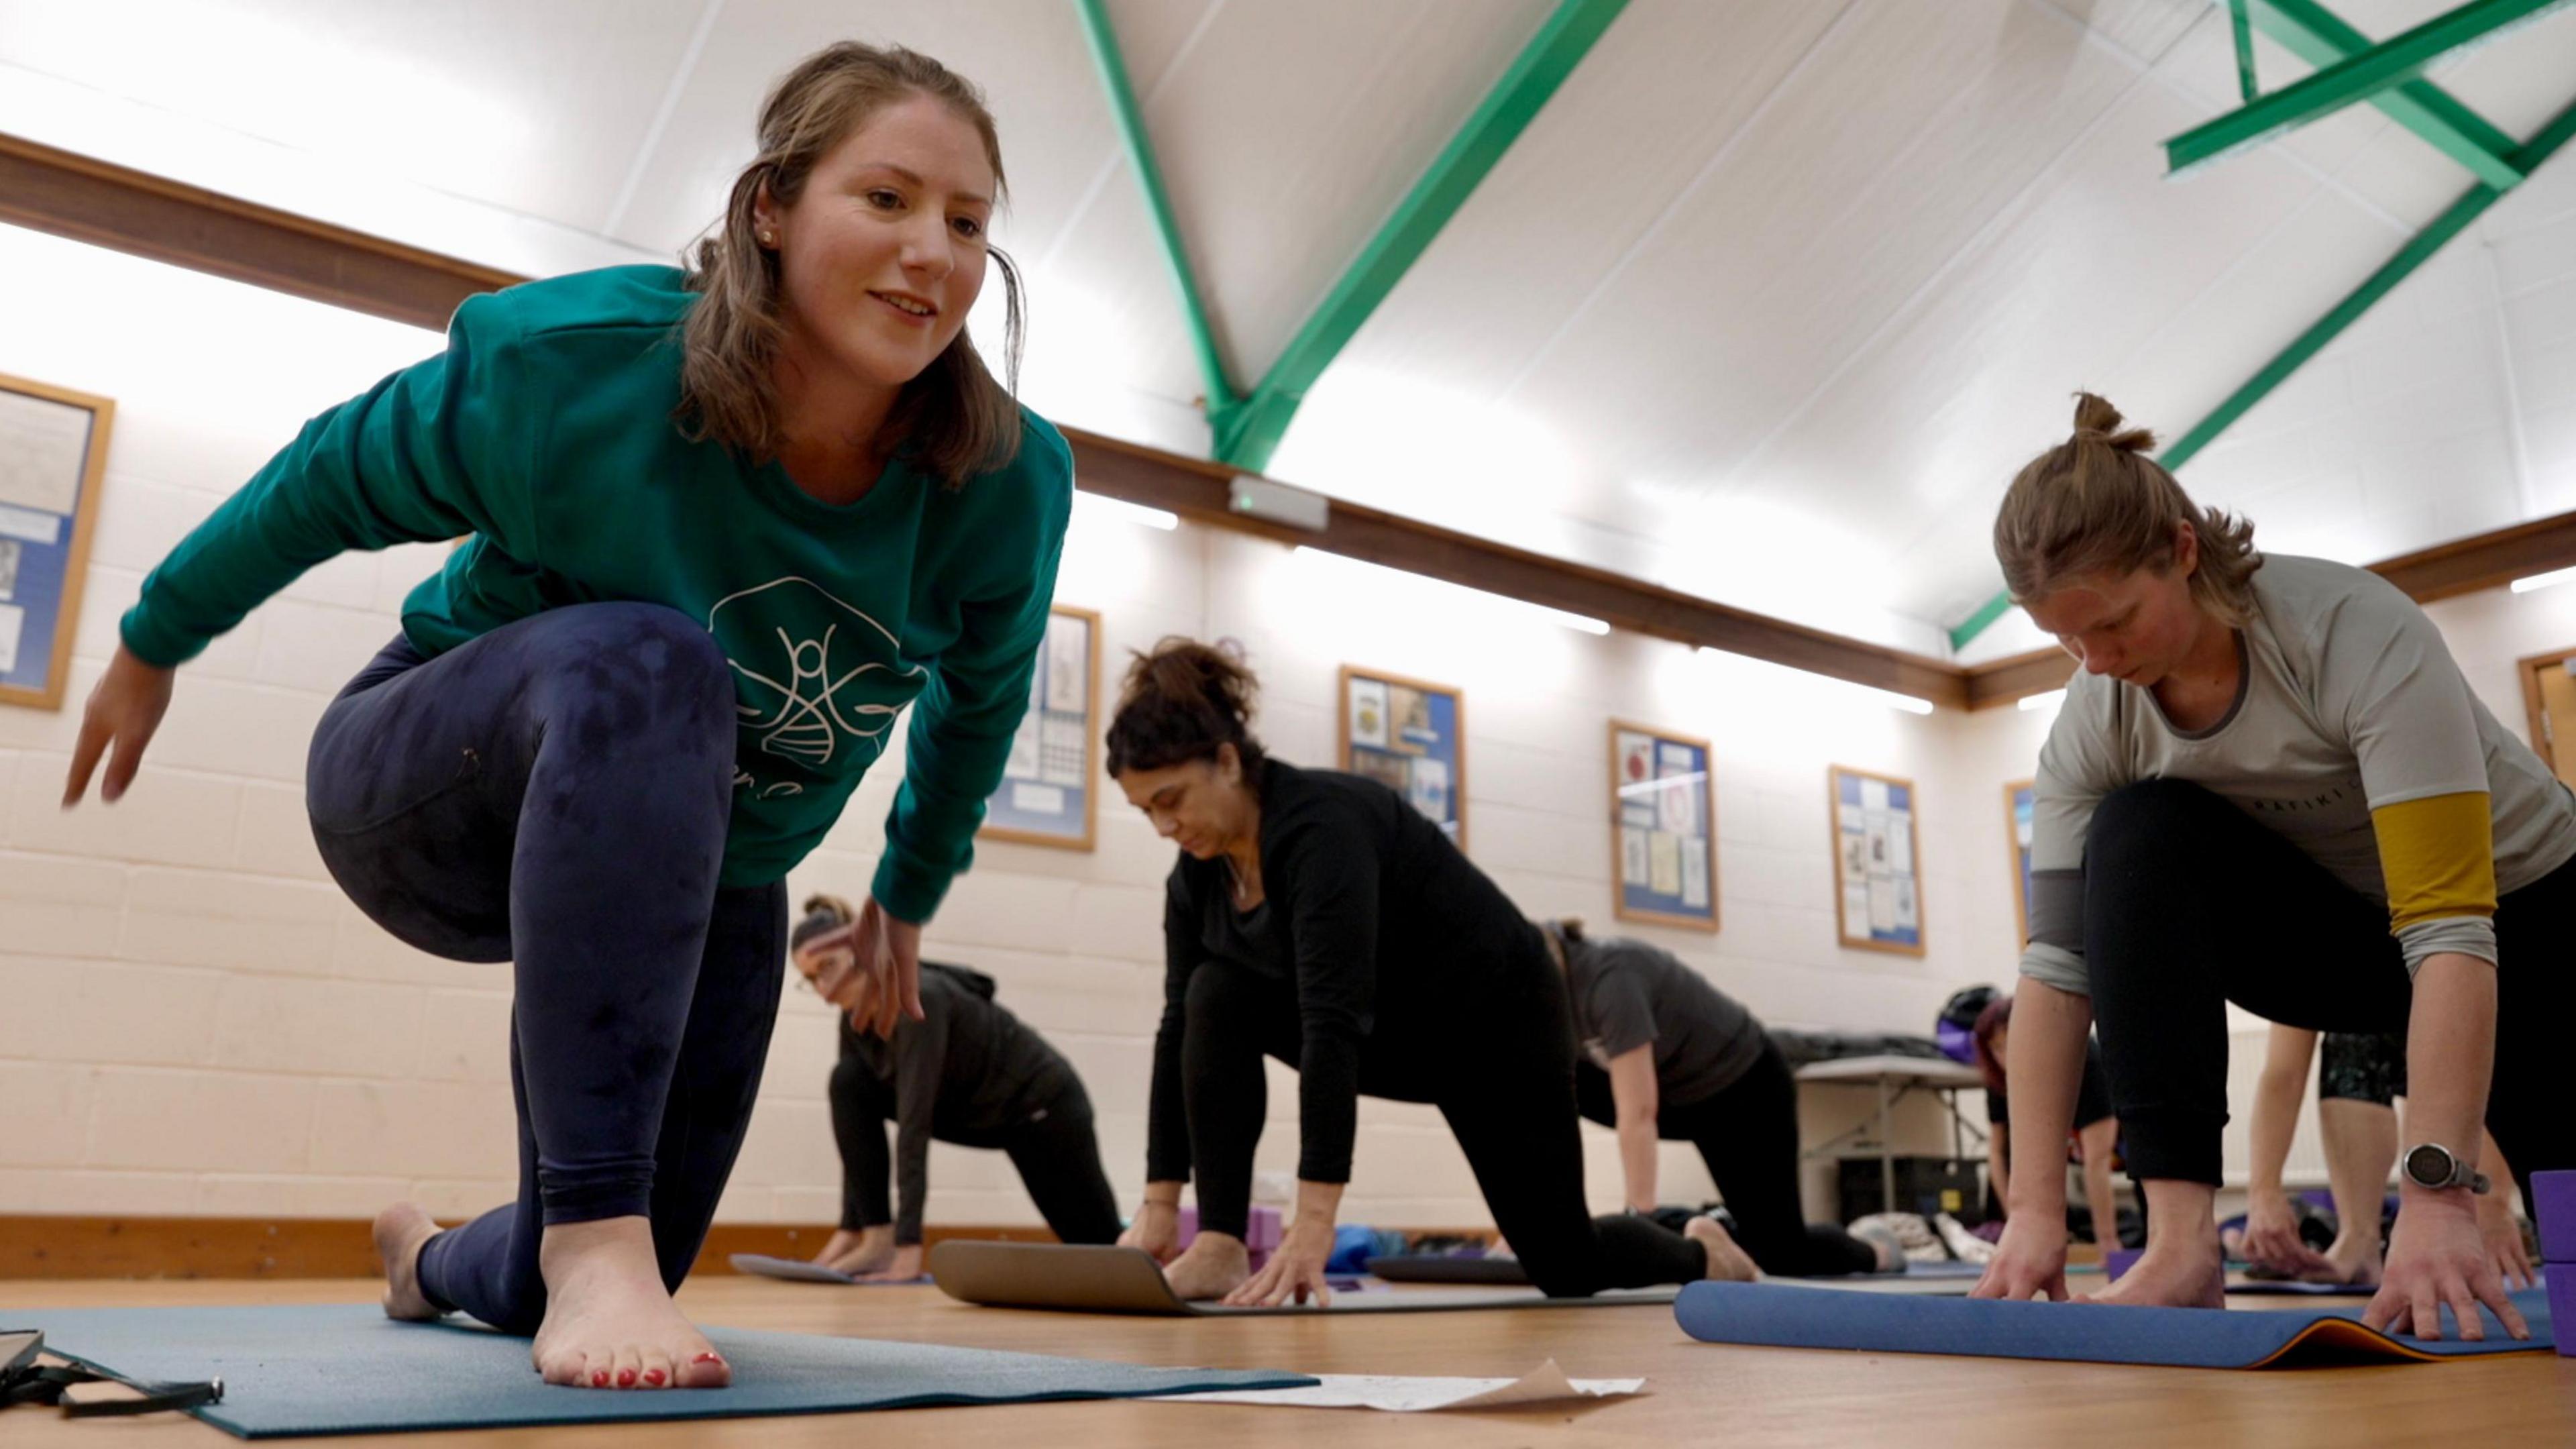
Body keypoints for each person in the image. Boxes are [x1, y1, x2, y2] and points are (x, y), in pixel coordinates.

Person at [60, 43, 1071, 1389]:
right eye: (885, 199)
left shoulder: (1003, 482)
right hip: (429, 785)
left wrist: (909, 887)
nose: (932, 253)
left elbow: (981, 698)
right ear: (769, 206)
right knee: (657, 662)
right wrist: (155, 635)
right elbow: (332, 475)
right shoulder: (585, 369)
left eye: (967, 222)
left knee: (646, 1224)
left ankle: (442, 1259)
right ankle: (597, 1248)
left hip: (706, 865)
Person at [1971, 393, 2576, 1344]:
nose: (2095, 660)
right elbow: (2055, 970)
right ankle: (2178, 1247)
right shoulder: (2099, 714)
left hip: (2527, 919)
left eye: (2116, 623)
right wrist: (2037, 1212)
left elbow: (2453, 929)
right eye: (2065, 639)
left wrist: (2438, 1199)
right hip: (2340, 936)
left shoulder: (2353, 632)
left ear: (2181, 550)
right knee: (2137, 832)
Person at [1106, 639, 1757, 1305]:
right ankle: (1219, 1244)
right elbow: (1178, 1027)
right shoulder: (1197, 881)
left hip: (1498, 1026)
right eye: (1145, 810)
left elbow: (1331, 1023)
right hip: (1397, 1031)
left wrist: (1313, 1226)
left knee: (1565, 1265)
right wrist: (1160, 1203)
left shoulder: (1321, 831)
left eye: (1172, 798)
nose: (1163, 825)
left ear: (1227, 762)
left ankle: (1702, 1251)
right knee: (1213, 993)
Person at [1541, 919, 1899, 1276]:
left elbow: (1638, 1111)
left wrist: (1641, 1218)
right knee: (1549, 1084)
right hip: (1685, 1097)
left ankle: (1878, 1250)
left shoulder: (1610, 978)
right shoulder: (1546, 1004)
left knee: (1781, 1253)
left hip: (1746, 1088)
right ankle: (1712, 1226)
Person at [791, 894, 1121, 1280]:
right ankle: (870, 1237)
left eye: (828, 967)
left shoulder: (920, 1000)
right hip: (980, 1112)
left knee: (1101, 1249)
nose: (823, 990)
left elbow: (915, 1124)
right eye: (811, 979)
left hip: (1043, 1107)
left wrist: (910, 1247)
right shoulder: (854, 1018)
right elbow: (854, 1127)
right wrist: (855, 1228)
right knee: (847, 1081)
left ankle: (1172, 1266)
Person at [2238, 1026, 2532, 1289]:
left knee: (2466, 1030)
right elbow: (2283, 1073)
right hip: (2381, 1027)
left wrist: (2491, 1204)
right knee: (2350, 1038)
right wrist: (2263, 1193)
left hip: (2461, 1026)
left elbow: (2491, 1040)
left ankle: (2469, 1220)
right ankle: (2359, 1240)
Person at [1970, 996, 2124, 1250]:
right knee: (2014, 1152)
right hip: (2063, 1141)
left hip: (2113, 1141)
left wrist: (2107, 1240)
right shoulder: (1999, 1081)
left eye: (2010, 1043)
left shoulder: (2087, 1060)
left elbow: (2097, 1160)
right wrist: (2015, 1222)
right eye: (1997, 1048)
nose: (2005, 1056)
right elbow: (1997, 1153)